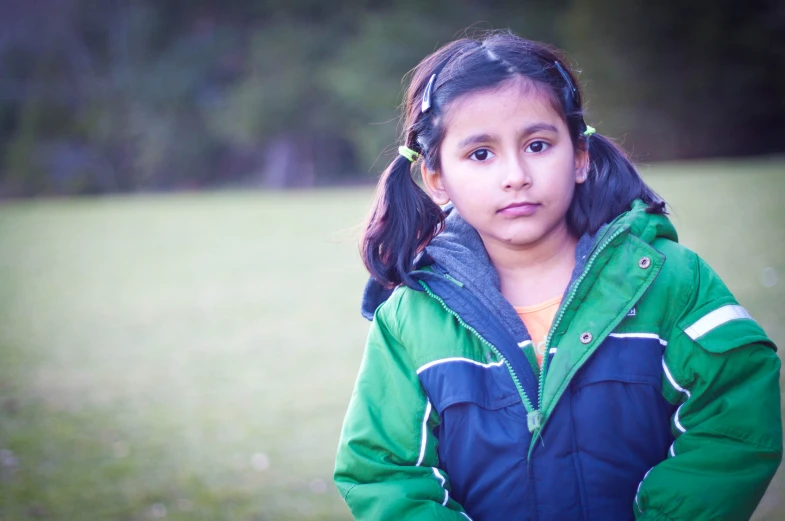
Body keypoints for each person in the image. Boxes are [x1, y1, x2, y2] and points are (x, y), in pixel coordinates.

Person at [333, 30, 782, 521]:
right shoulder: (410, 318)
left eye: (539, 144)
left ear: (581, 155)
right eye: (481, 154)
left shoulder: (672, 281)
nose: (516, 175)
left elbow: (732, 423)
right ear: (437, 177)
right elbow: (384, 471)